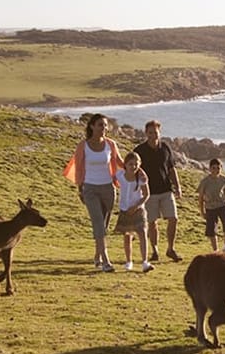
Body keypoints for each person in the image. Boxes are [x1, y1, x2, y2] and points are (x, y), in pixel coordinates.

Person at [63, 113, 123, 273]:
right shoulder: (83, 145)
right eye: (100, 125)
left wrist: (138, 169)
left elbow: (120, 163)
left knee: (103, 226)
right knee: (98, 224)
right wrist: (80, 188)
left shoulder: (111, 144)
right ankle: (105, 261)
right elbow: (78, 168)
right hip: (90, 188)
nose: (103, 128)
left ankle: (97, 255)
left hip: (108, 189)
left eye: (105, 125)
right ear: (92, 127)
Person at [133, 120, 183, 262]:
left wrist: (177, 186)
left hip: (166, 190)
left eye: (155, 132)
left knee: (173, 218)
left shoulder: (165, 148)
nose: (153, 135)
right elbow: (133, 170)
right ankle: (155, 251)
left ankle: (170, 249)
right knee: (152, 222)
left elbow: (172, 168)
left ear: (159, 133)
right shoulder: (139, 151)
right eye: (150, 132)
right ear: (146, 133)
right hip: (149, 192)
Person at [113, 151, 153, 272]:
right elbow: (113, 179)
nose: (133, 167)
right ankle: (128, 261)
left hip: (138, 210)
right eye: (131, 164)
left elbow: (146, 194)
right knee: (127, 236)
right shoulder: (120, 175)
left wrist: (136, 206)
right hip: (124, 209)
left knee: (142, 233)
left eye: (136, 164)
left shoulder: (140, 178)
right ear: (125, 164)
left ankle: (145, 261)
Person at [197, 157, 225, 252]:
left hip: (222, 206)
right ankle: (215, 250)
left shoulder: (224, 179)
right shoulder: (205, 182)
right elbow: (200, 198)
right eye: (213, 168)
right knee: (211, 231)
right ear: (209, 168)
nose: (216, 170)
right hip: (210, 208)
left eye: (218, 168)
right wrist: (202, 211)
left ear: (221, 168)